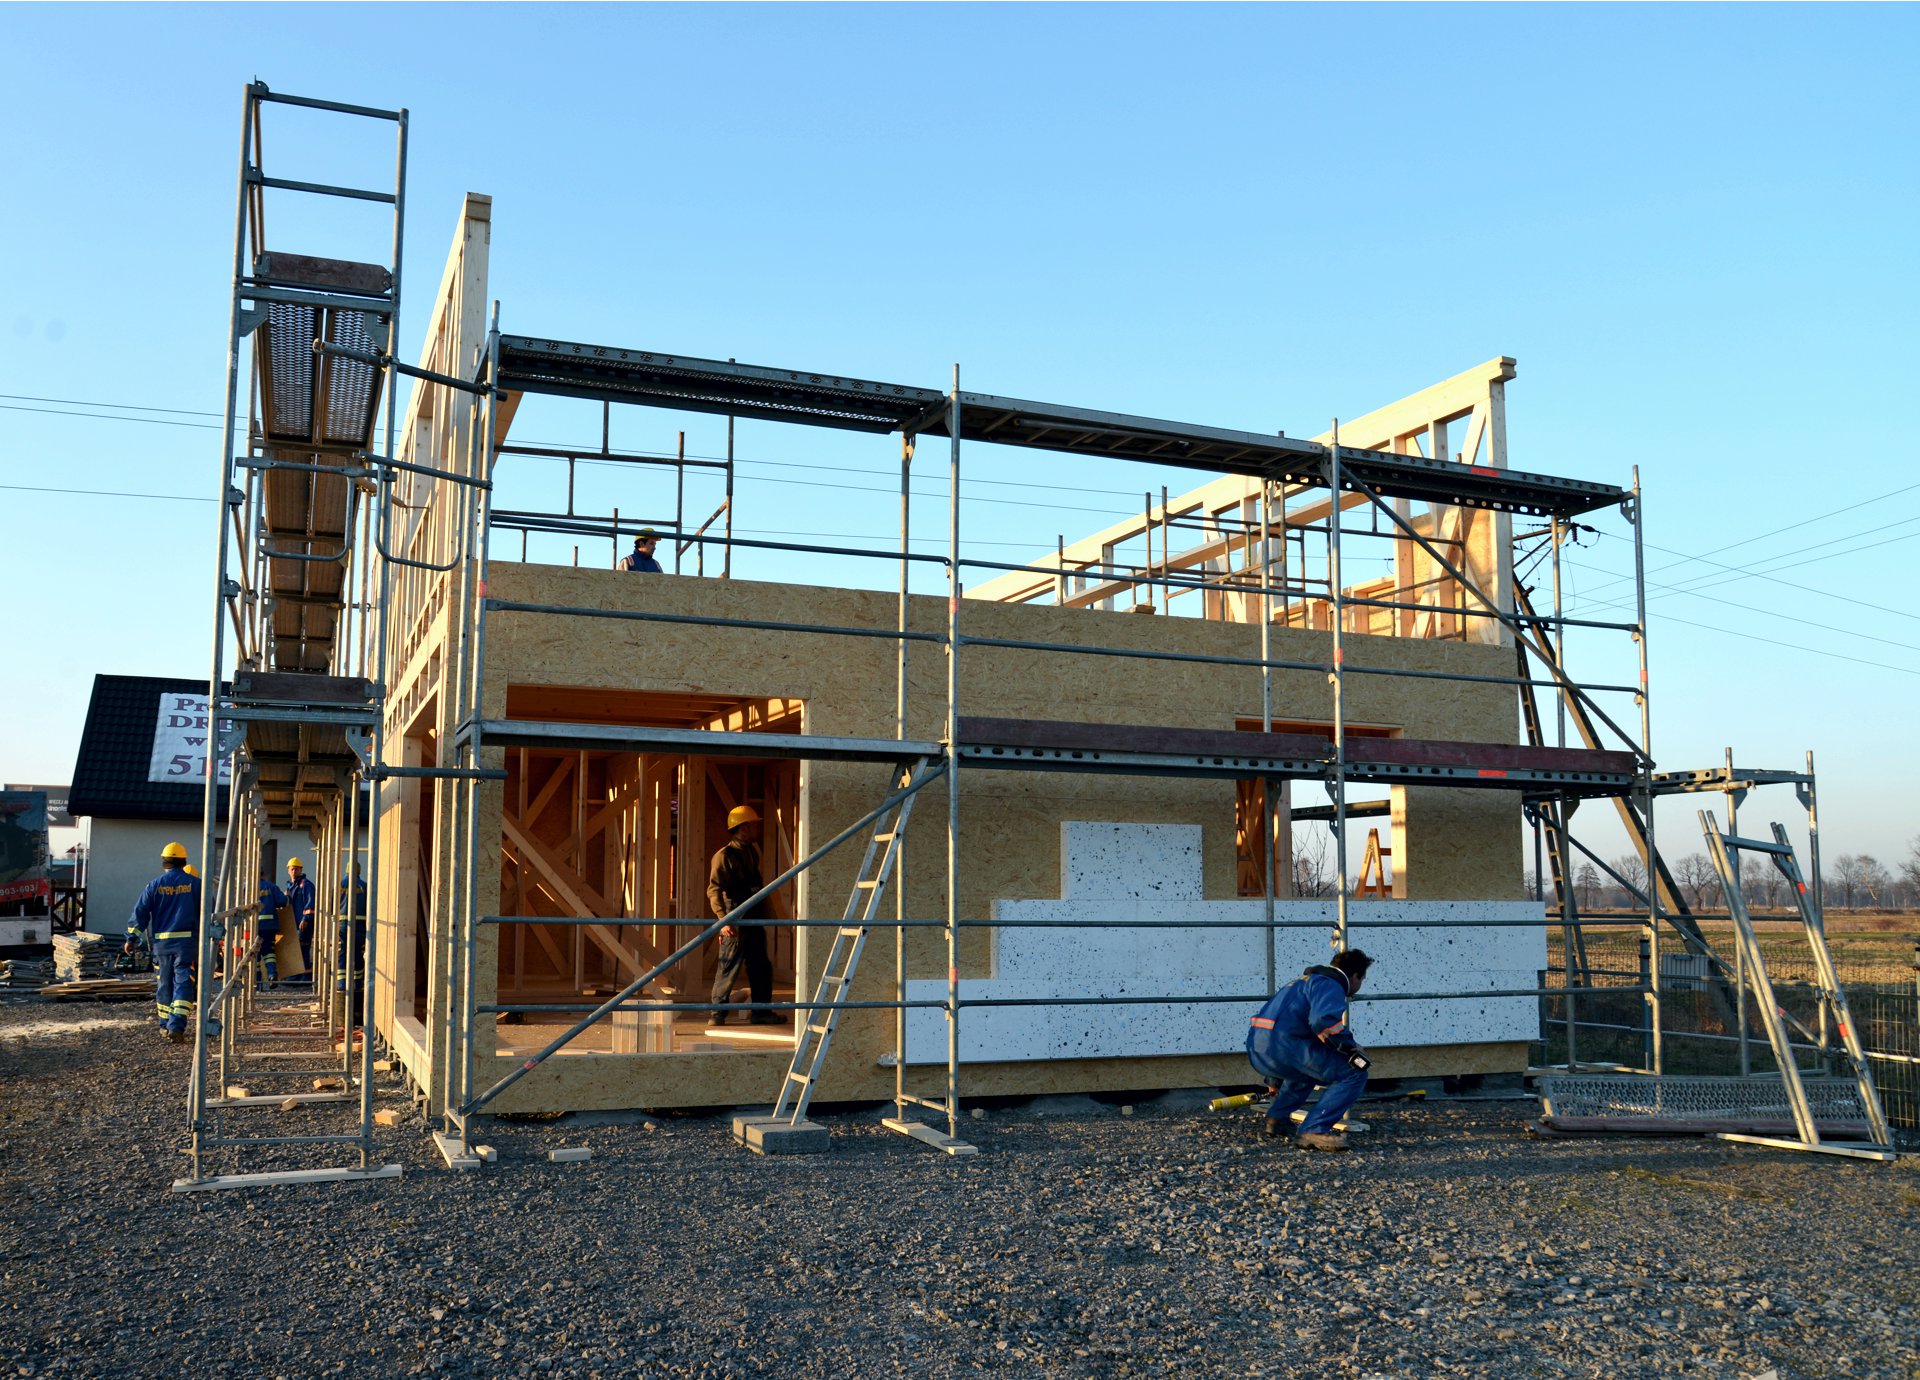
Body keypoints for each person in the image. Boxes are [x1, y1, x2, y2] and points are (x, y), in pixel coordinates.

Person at [1245, 948, 1375, 1151]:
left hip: (1258, 1050)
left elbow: (1278, 1022)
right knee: (1354, 1073)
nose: (1360, 985)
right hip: (1285, 1048)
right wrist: (1350, 1047)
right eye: (1362, 980)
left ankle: (1277, 1118)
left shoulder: (1299, 983)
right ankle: (1314, 1130)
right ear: (1355, 976)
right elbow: (1322, 1020)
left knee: (1308, 1071)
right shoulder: (1330, 984)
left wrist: (1273, 1079)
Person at [706, 805, 777, 1026]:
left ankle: (761, 1012)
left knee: (760, 967)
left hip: (753, 917)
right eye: (754, 825)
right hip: (735, 919)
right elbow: (714, 890)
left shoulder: (751, 852)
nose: (758, 829)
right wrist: (723, 920)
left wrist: (769, 914)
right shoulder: (724, 856)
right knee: (728, 966)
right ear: (743, 828)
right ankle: (717, 1014)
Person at [124, 842, 202, 1043]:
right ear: (184, 861)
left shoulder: (154, 885)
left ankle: (164, 1025)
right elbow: (208, 912)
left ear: (164, 862)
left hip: (162, 945)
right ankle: (176, 1026)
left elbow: (140, 913)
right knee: (183, 983)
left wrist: (132, 938)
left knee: (164, 984)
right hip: (186, 944)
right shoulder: (196, 884)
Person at [336, 863, 368, 1014]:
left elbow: (332, 903)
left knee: (343, 952)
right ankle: (357, 982)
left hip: (343, 925)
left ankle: (342, 983)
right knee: (358, 954)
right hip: (361, 925)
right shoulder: (365, 886)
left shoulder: (340, 885)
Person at [285, 857, 316, 978]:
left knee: (302, 949)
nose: (294, 871)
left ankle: (303, 978)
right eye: (292, 869)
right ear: (288, 870)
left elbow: (310, 904)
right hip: (293, 923)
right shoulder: (290, 886)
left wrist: (305, 919)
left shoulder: (306, 885)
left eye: (297, 869)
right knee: (295, 950)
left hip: (303, 923)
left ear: (301, 870)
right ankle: (296, 977)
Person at [255, 869, 285, 989]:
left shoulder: (248, 889)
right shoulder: (271, 887)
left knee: (255, 953)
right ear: (263, 874)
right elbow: (282, 901)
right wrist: (288, 897)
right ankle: (272, 975)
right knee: (269, 952)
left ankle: (256, 983)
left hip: (254, 926)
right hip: (269, 926)